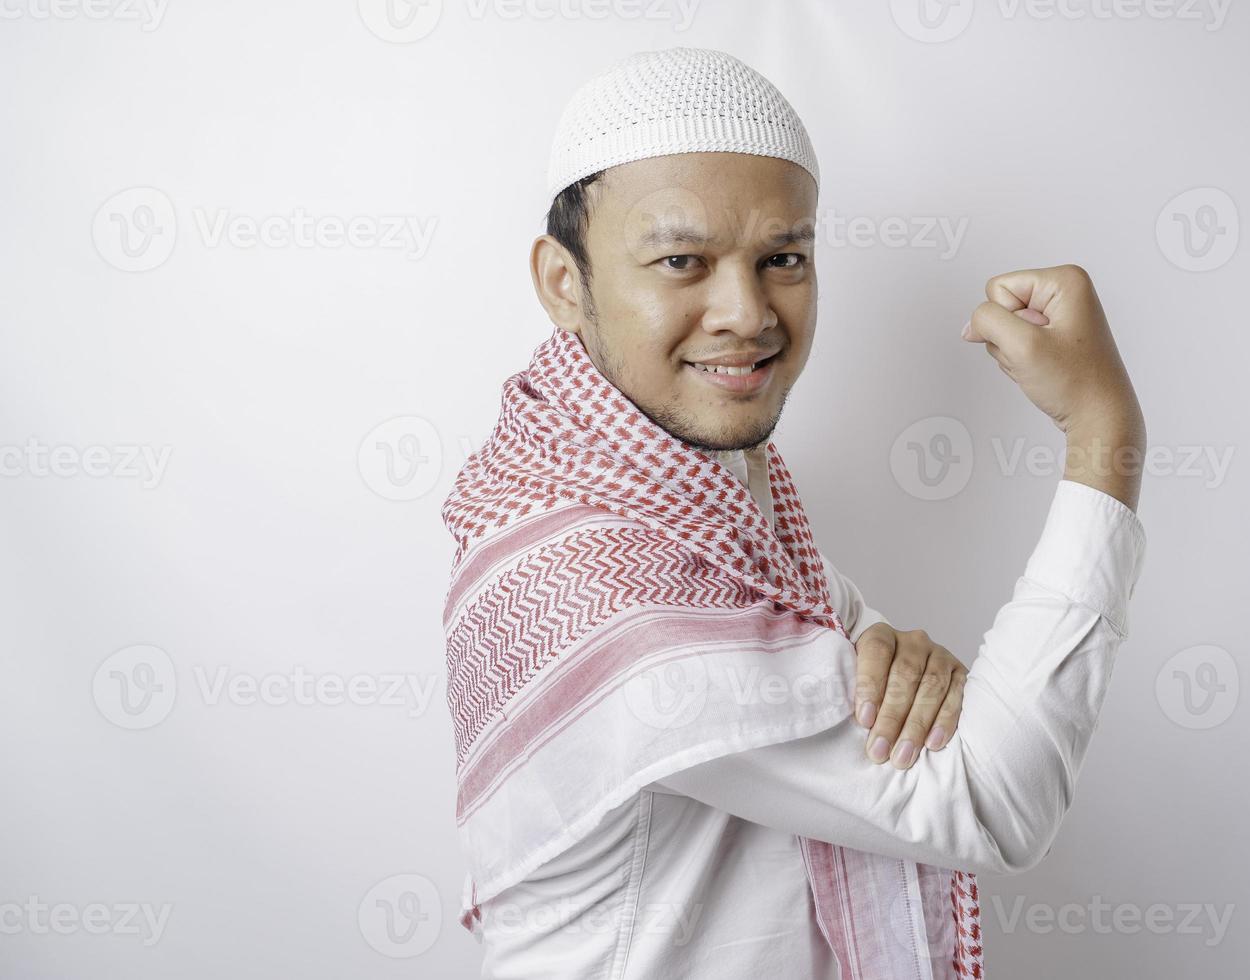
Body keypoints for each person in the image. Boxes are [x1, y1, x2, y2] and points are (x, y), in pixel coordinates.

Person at [441, 45, 1147, 980]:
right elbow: (991, 796)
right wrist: (1104, 429)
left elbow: (897, 699)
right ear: (564, 282)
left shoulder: (679, 494)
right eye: (681, 261)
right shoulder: (595, 578)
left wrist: (884, 659)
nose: (746, 312)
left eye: (783, 258)